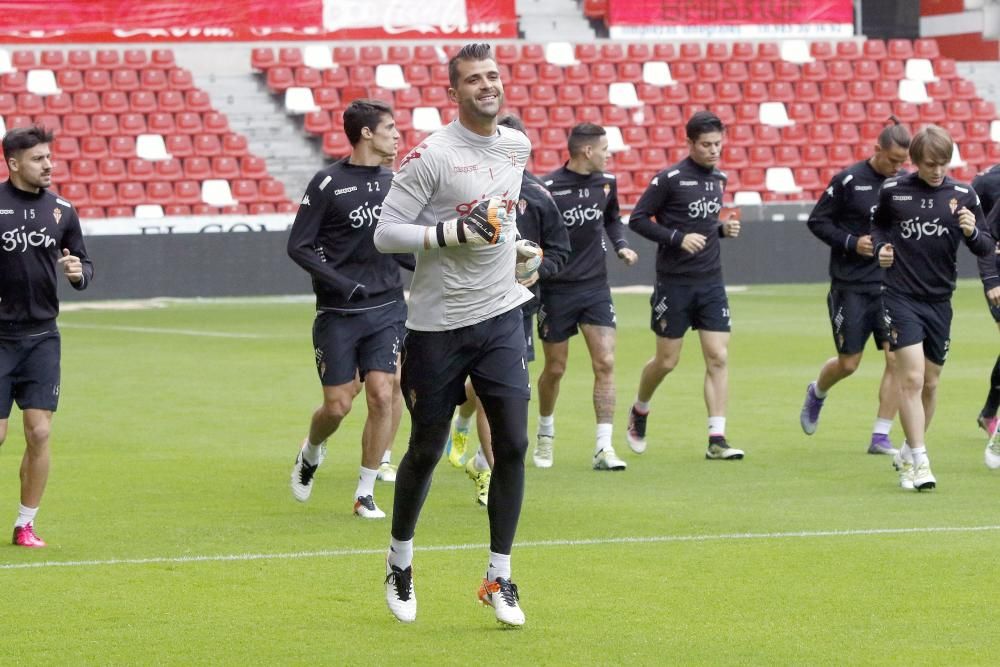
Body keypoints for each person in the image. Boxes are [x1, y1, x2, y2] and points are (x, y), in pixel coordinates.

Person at [373, 43, 532, 626]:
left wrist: (519, 249)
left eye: (492, 75)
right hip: (437, 325)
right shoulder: (431, 155)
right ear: (454, 91)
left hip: (502, 314)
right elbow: (386, 235)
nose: (486, 85)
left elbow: (500, 217)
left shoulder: (517, 145)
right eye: (473, 79)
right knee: (424, 449)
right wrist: (450, 235)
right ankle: (399, 560)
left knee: (511, 444)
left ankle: (500, 577)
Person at [286, 99, 410, 519]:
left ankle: (365, 491)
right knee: (338, 405)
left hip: (389, 307)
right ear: (367, 134)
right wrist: (343, 285)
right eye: (390, 127)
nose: (397, 134)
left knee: (382, 392)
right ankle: (312, 451)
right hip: (339, 313)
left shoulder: (398, 182)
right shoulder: (327, 183)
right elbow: (298, 246)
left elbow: (403, 246)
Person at [446, 113, 571, 505]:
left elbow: (561, 251)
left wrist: (537, 273)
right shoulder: (467, 190)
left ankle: (480, 456)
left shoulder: (538, 196)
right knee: (486, 389)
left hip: (516, 309)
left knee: (494, 391)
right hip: (471, 302)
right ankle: (486, 462)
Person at [871, 124, 994, 490]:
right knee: (911, 377)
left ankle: (909, 451)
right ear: (915, 162)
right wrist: (881, 249)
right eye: (929, 164)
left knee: (932, 382)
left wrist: (972, 231)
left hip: (940, 300)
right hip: (900, 295)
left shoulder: (963, 194)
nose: (937, 171)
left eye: (942, 163)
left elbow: (986, 246)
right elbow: (877, 227)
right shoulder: (894, 191)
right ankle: (921, 462)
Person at [625, 110, 743, 461]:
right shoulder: (670, 179)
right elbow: (638, 220)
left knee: (718, 356)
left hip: (711, 281)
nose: (713, 151)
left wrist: (722, 230)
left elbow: (703, 225)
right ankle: (640, 409)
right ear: (689, 142)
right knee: (666, 361)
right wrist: (677, 238)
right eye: (706, 144)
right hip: (674, 283)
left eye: (718, 144)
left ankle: (716, 438)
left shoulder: (718, 178)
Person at [1, 125, 94, 547]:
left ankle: (25, 524)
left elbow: (84, 265)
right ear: (14, 162)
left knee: (38, 432)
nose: (48, 164)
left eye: (49, 157)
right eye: (38, 158)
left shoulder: (62, 210)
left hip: (42, 338)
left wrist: (79, 274)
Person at [799, 119, 912, 455]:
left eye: (902, 162)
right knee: (849, 363)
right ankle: (817, 391)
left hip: (891, 285)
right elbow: (817, 221)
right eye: (892, 159)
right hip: (851, 284)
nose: (897, 167)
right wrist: (851, 242)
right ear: (877, 149)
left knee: (896, 360)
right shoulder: (849, 181)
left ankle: (880, 435)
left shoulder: (905, 184)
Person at [534, 123, 638, 471]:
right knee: (556, 368)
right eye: (605, 148)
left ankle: (603, 448)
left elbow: (612, 220)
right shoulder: (547, 188)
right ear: (586, 151)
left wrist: (621, 246)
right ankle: (545, 433)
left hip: (595, 287)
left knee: (605, 362)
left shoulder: (607, 183)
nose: (609, 154)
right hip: (556, 290)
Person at [971, 163, 1000, 443]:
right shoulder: (986, 181)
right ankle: (991, 413)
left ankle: (990, 412)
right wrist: (991, 279)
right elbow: (983, 232)